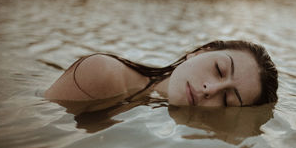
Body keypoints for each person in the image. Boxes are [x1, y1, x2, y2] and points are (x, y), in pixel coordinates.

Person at [45, 40, 278, 108]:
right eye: (219, 70)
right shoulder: (102, 73)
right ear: (198, 52)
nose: (211, 90)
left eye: (227, 100)